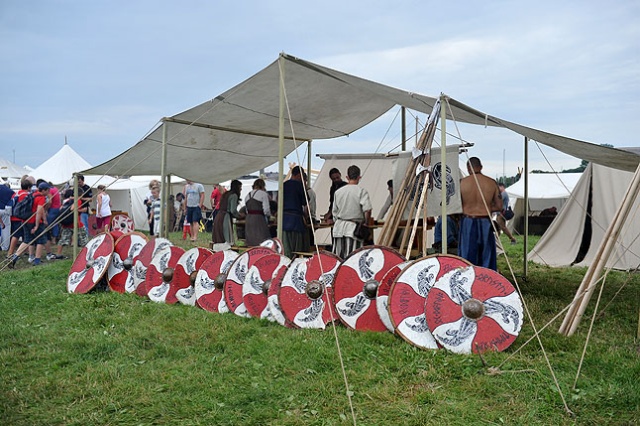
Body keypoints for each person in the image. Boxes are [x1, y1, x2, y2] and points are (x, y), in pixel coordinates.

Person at [458, 157, 502, 271]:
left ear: (468, 168)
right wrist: (486, 207)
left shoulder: (462, 183)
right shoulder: (491, 183)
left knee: (466, 256)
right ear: (481, 167)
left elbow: (456, 206)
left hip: (468, 220)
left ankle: (468, 280)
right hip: (485, 220)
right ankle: (486, 281)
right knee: (487, 256)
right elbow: (499, 206)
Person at [331, 165, 372, 258]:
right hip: (353, 229)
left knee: (338, 257)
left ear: (347, 177)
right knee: (353, 258)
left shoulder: (338, 192)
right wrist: (366, 223)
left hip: (339, 228)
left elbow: (334, 213)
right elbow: (367, 210)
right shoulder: (361, 191)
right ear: (359, 177)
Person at [9, 181, 51, 267]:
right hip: (35, 221)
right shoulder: (41, 198)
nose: (48, 192)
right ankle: (37, 260)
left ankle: (15, 256)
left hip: (25, 220)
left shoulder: (32, 194)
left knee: (27, 240)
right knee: (41, 240)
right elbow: (39, 211)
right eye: (48, 190)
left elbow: (40, 210)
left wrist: (45, 218)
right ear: (44, 190)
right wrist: (36, 225)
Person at [282, 166, 309, 258]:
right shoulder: (299, 186)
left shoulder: (283, 185)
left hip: (284, 220)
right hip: (296, 220)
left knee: (286, 248)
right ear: (298, 175)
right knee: (297, 249)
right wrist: (306, 217)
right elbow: (305, 205)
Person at [55, 189, 89, 258]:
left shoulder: (67, 200)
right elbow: (73, 209)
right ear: (81, 194)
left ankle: (58, 254)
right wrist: (82, 211)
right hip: (75, 223)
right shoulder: (78, 200)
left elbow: (61, 209)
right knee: (84, 239)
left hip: (66, 224)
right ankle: (86, 254)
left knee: (63, 238)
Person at [212, 180, 244, 245]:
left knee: (219, 236)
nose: (241, 189)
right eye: (240, 187)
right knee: (226, 237)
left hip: (219, 215)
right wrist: (240, 216)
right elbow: (233, 210)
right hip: (225, 218)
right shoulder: (234, 195)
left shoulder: (226, 194)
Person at [244, 178, 272, 246]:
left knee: (251, 239)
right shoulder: (263, 194)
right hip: (259, 219)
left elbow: (246, 210)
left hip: (249, 219)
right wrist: (270, 216)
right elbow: (266, 210)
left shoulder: (247, 195)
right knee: (261, 239)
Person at [0, 181, 15, 252]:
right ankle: (5, 247)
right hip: (5, 210)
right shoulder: (10, 191)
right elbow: (12, 201)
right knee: (6, 229)